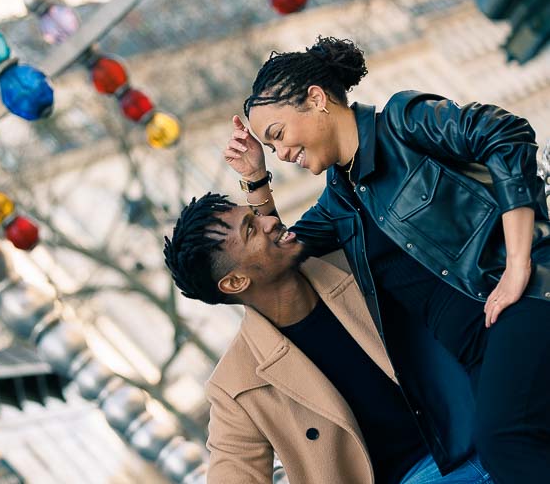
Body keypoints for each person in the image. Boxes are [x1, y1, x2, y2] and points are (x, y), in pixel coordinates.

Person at [225, 36, 550, 484]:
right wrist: (256, 178)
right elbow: (278, 251)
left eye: (278, 136)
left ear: (316, 100)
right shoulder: (340, 202)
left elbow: (504, 134)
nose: (280, 153)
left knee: (505, 444)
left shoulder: (402, 122)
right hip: (479, 350)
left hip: (526, 299)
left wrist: (518, 265)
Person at [163, 193, 492, 484]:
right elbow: (233, 471)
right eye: (251, 229)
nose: (269, 222)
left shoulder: (355, 261)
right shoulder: (236, 385)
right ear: (235, 282)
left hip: (489, 425)